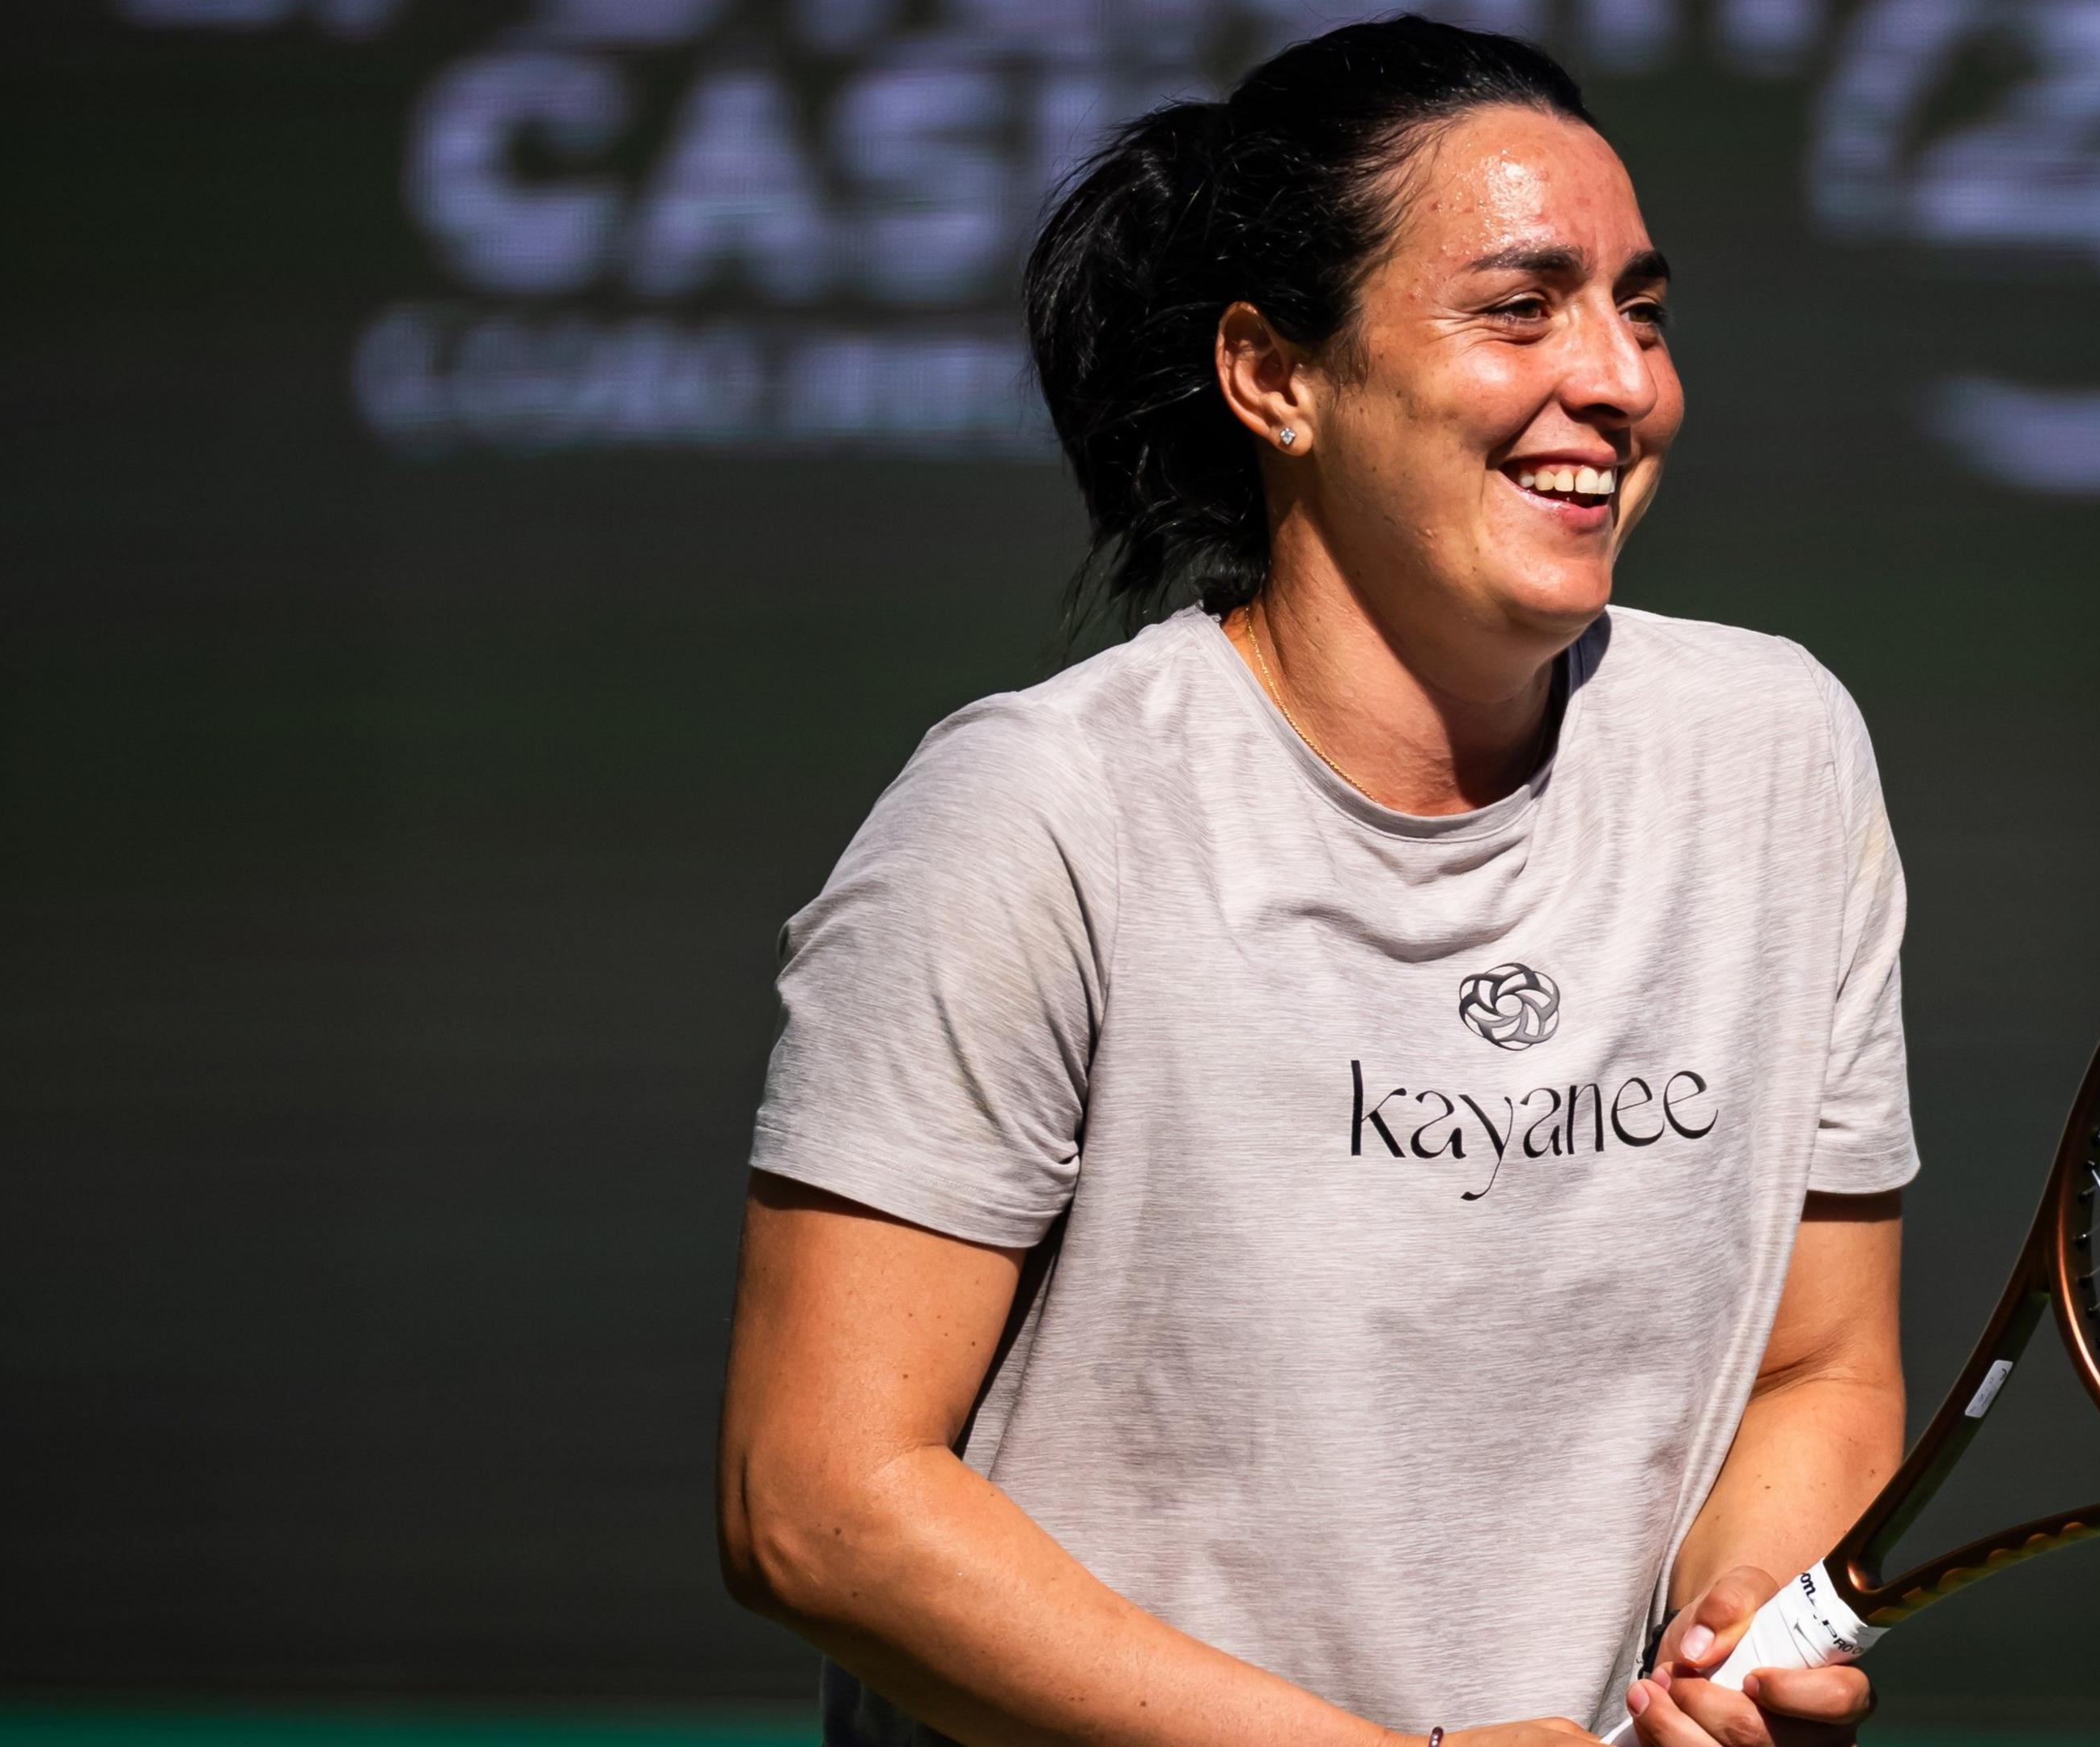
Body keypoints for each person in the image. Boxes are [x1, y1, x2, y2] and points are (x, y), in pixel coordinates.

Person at [716, 17, 1915, 1746]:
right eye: (1522, 308)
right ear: (1273, 376)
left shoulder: (1776, 753)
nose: (1620, 381)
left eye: (1639, 312)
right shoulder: (1033, 814)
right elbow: (811, 1506)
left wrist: (1728, 1634)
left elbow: (1818, 1369)